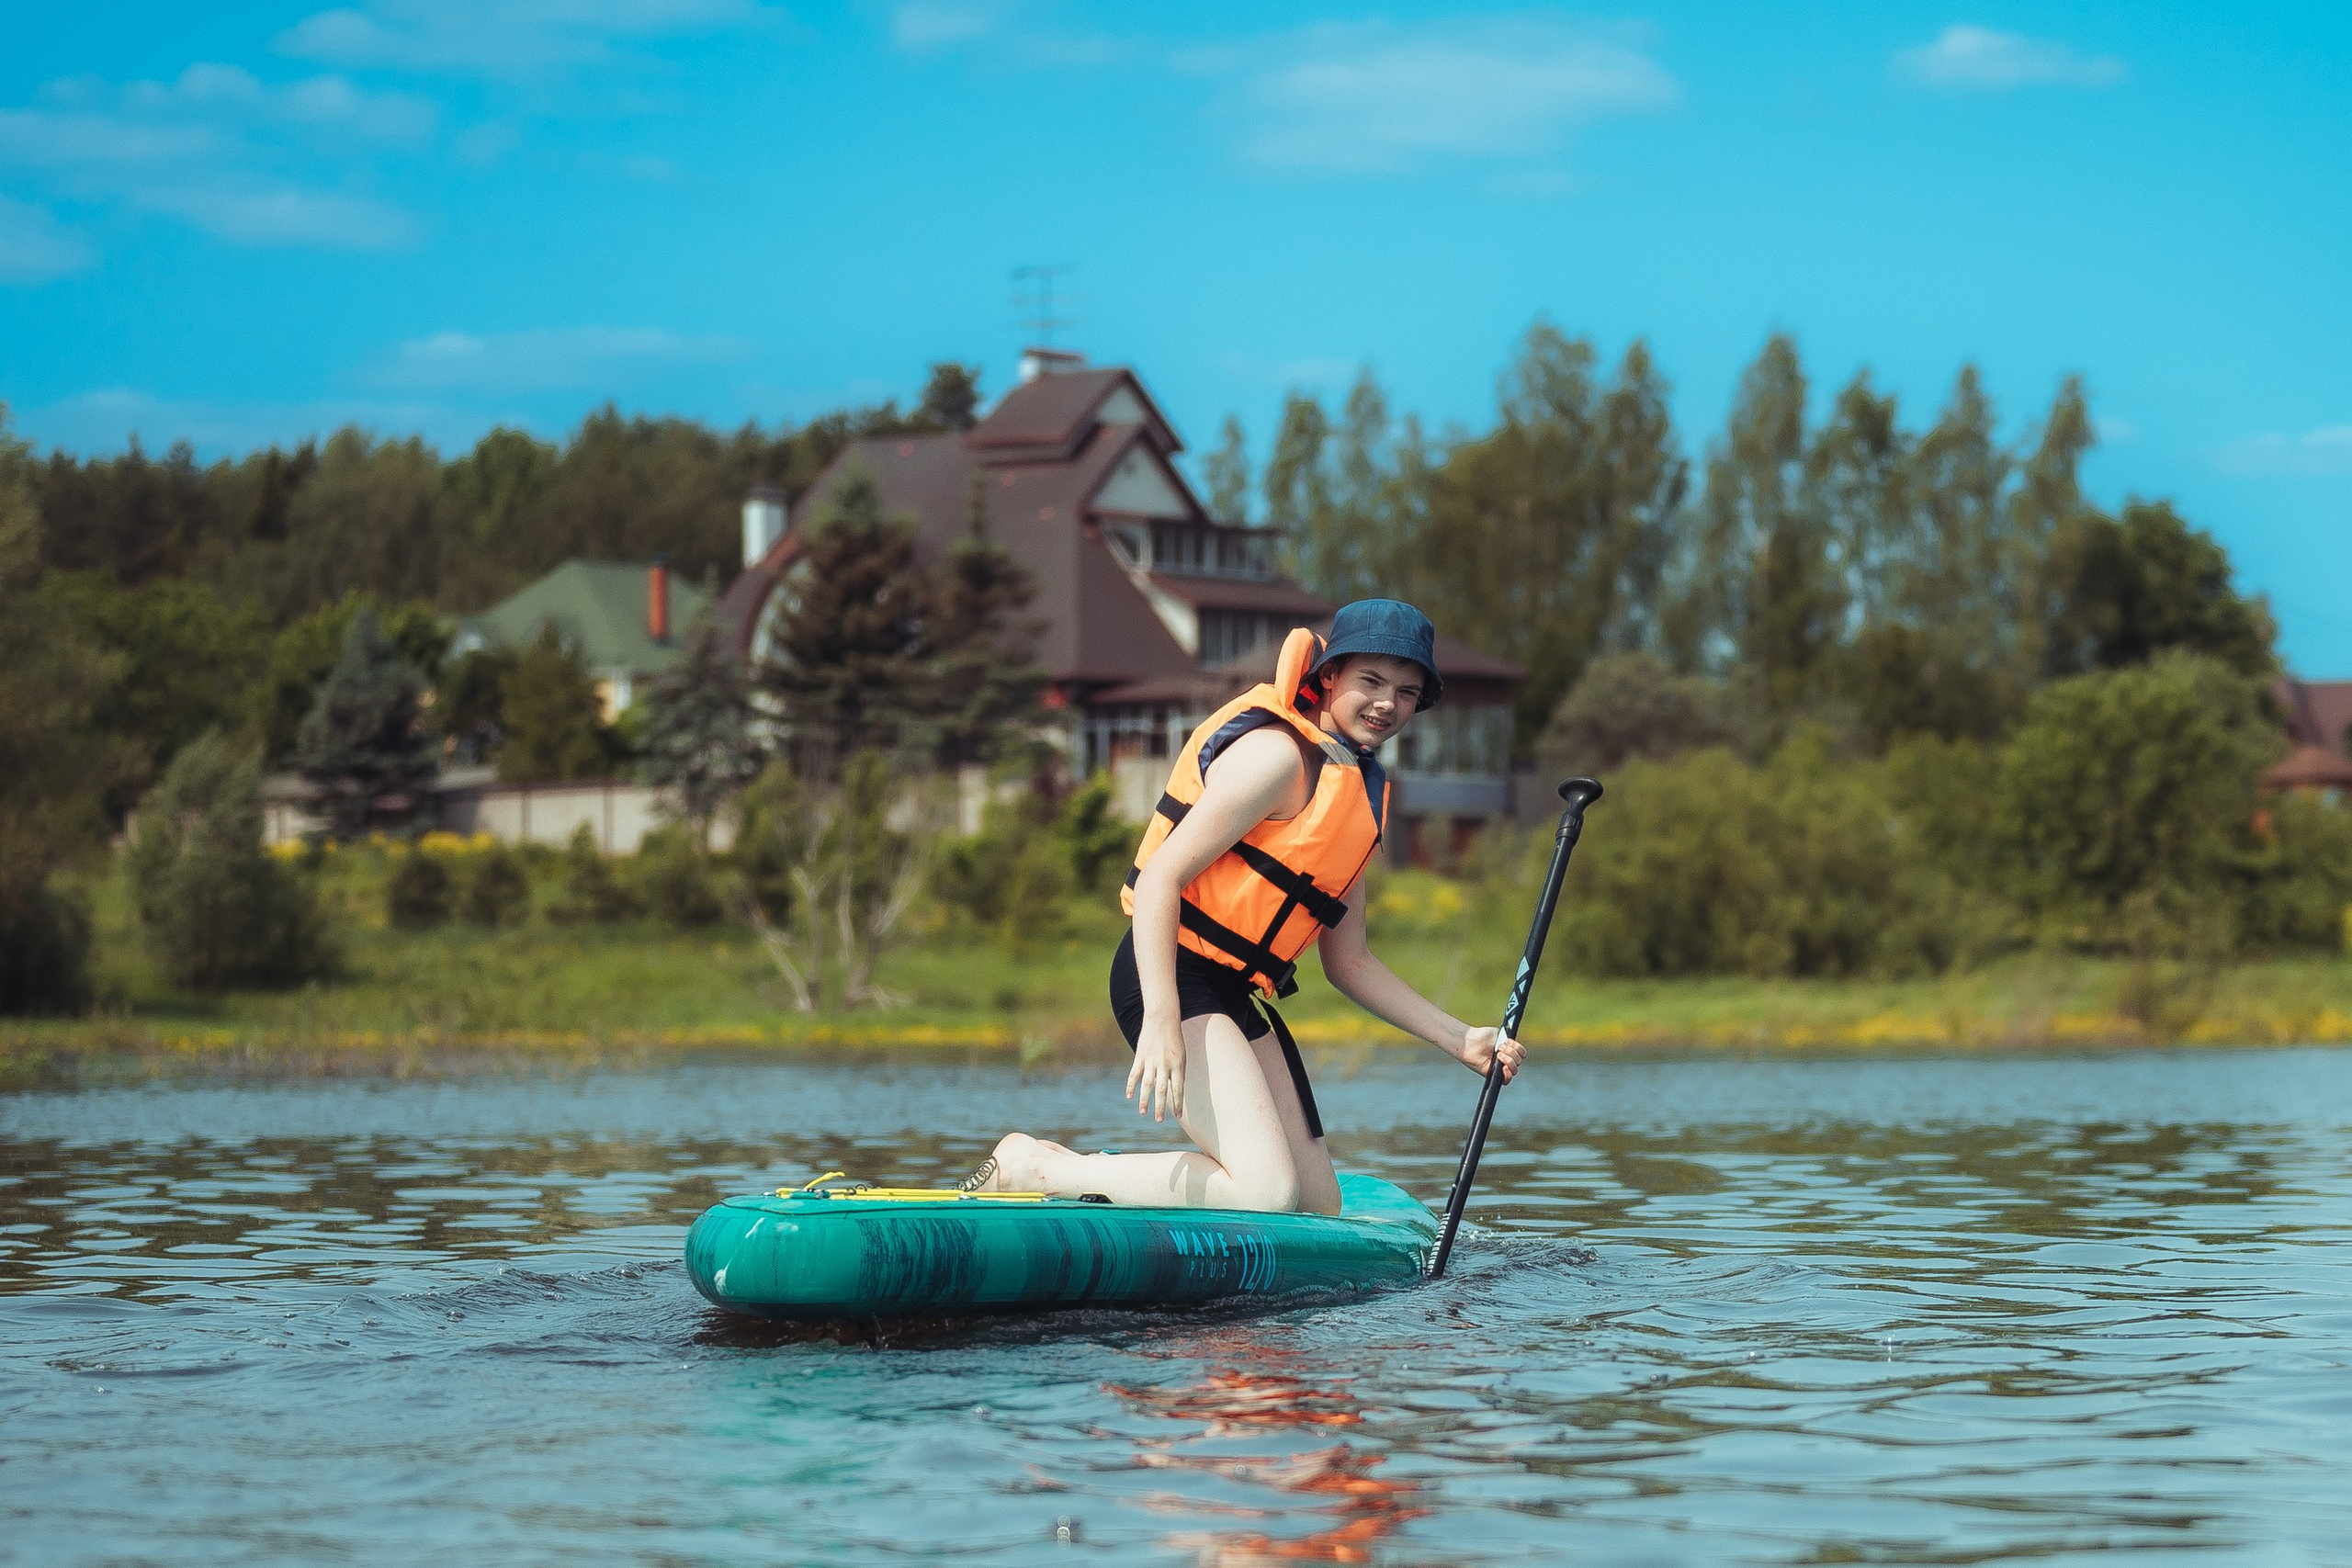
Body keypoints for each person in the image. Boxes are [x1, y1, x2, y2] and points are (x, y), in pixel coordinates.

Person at [967, 599, 1525, 1213]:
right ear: (1329, 675)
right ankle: (1036, 1167)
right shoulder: (1276, 758)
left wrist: (1461, 1040)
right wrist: (1161, 1016)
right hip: (1170, 971)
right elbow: (1159, 879)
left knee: (1317, 1206)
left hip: (1234, 992)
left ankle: (1105, 1178)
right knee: (1266, 1193)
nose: (1387, 703)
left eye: (1408, 691)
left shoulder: (1359, 802)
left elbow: (1351, 962)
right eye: (1371, 680)